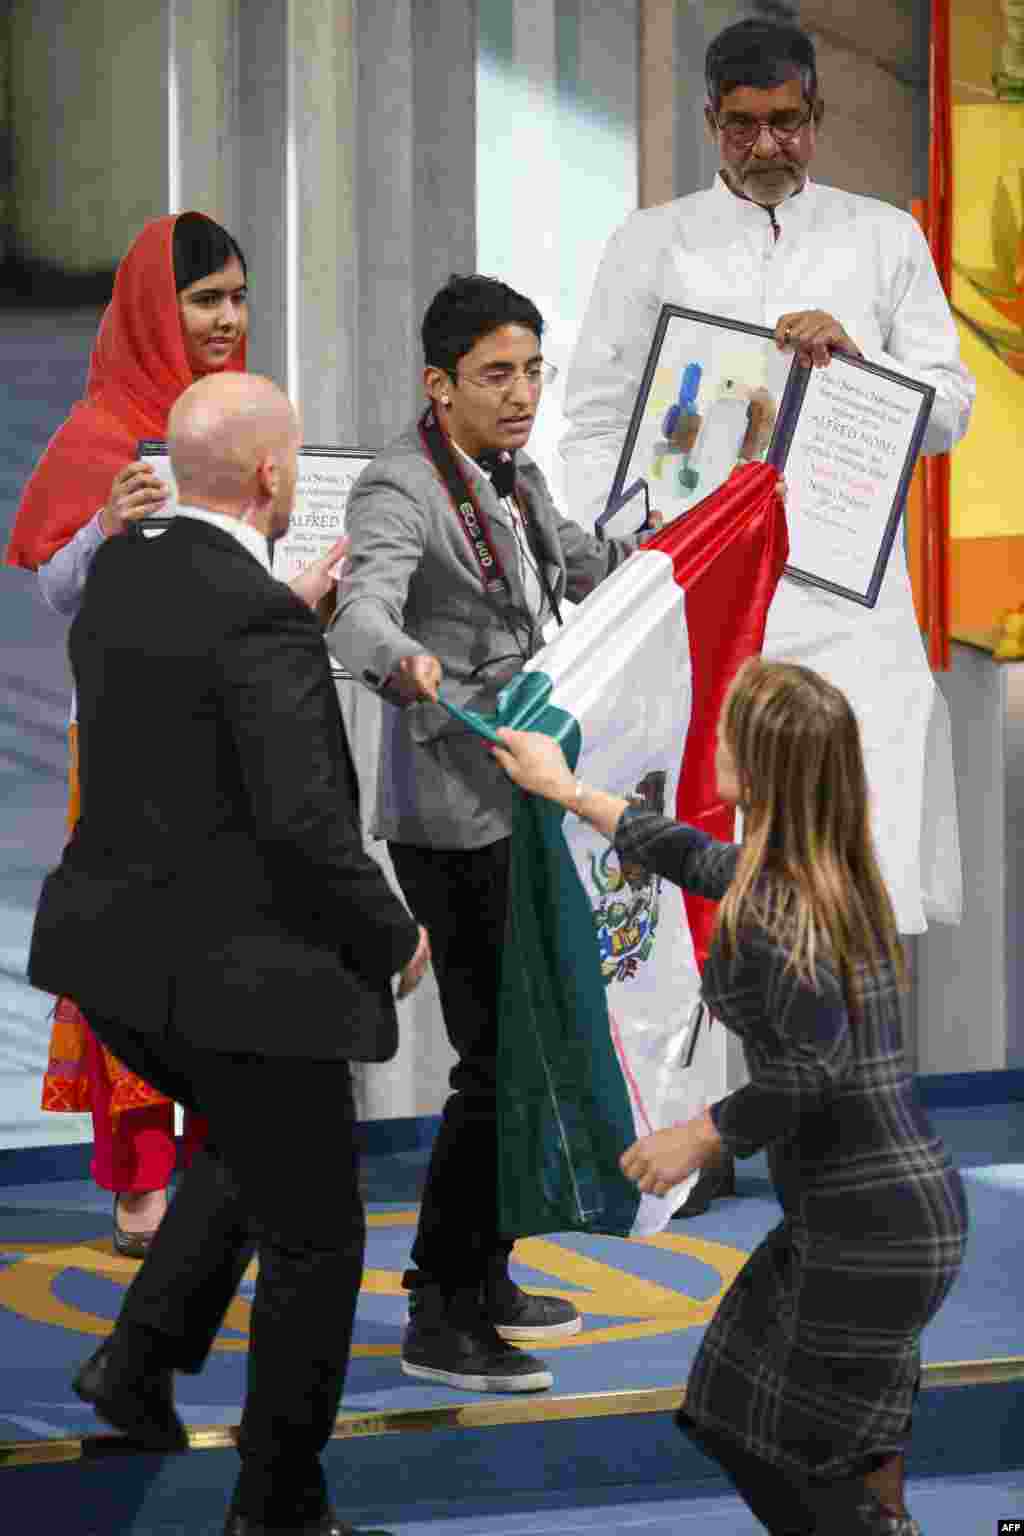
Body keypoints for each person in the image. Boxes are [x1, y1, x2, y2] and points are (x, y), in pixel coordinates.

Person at [561, 18, 976, 1208]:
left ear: (815, 116)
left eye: (784, 120)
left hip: (850, 604)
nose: (764, 143)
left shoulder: (882, 238)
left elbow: (946, 409)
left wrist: (857, 361)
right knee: (725, 868)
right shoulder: (654, 243)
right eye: (741, 124)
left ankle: (865, 1119)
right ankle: (720, 1134)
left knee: (868, 857)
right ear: (709, 123)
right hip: (708, 606)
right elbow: (596, 418)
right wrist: (635, 549)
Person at [27, 370, 427, 1536]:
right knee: (317, 1231)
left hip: (117, 971)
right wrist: (391, 934)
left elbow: (192, 703)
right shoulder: (254, 619)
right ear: (274, 477)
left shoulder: (130, 567)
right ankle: (279, 1506)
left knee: (249, 1151)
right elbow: (304, 824)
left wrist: (281, 615)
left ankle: (137, 1367)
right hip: (237, 982)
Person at [490, 659, 968, 1536]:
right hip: (896, 1213)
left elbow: (808, 1071)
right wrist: (566, 790)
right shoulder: (828, 875)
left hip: (864, 1225)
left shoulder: (777, 906)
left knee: (766, 1439)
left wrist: (699, 1136)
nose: (712, 739)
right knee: (802, 1427)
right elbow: (692, 855)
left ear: (756, 765)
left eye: (726, 732)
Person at [328, 274, 657, 1394]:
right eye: (495, 376)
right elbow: (356, 609)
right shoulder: (398, 488)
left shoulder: (516, 472)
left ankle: (488, 1272)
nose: (521, 396)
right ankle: (437, 1306)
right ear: (439, 384)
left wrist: (675, 545)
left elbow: (571, 565)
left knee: (526, 1049)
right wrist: (400, 660)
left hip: (524, 791)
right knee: (490, 1063)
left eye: (531, 371)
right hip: (449, 815)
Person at [5, 212, 338, 1256]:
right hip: (124, 744)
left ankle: (223, 1161)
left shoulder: (251, 421)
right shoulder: (104, 434)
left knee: (233, 949)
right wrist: (104, 523)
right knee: (135, 955)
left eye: (238, 296)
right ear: (158, 307)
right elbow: (59, 595)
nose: (227, 318)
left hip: (239, 734)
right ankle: (140, 1176)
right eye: (205, 300)